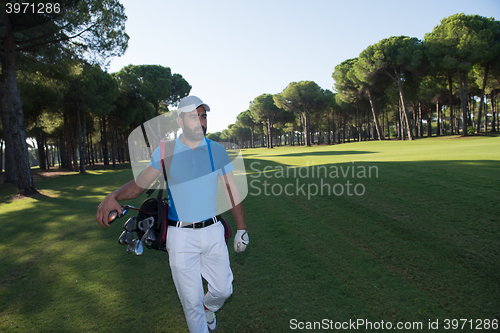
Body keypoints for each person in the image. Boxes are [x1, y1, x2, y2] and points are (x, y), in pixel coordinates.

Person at [96, 95, 249, 333]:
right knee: (191, 304)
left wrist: (242, 229)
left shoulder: (217, 150)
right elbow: (139, 184)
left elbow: (231, 189)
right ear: (180, 121)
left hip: (212, 231)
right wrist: (113, 195)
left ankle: (209, 308)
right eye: (193, 117)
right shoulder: (165, 151)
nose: (200, 122)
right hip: (180, 237)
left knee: (223, 290)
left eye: (203, 116)